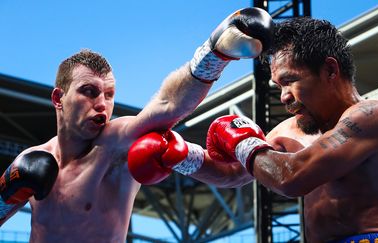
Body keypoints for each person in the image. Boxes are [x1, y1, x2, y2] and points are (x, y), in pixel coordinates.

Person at [0, 7, 274, 242]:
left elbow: (168, 104)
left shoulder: (115, 143)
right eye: (89, 91)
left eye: (109, 95)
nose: (102, 104)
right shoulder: (31, 160)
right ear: (59, 98)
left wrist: (214, 54)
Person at [144, 17, 378, 243]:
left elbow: (292, 176)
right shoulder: (290, 130)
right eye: (278, 85)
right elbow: (234, 172)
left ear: (330, 69)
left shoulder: (374, 117)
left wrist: (242, 142)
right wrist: (180, 155)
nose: (283, 96)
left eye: (290, 81)